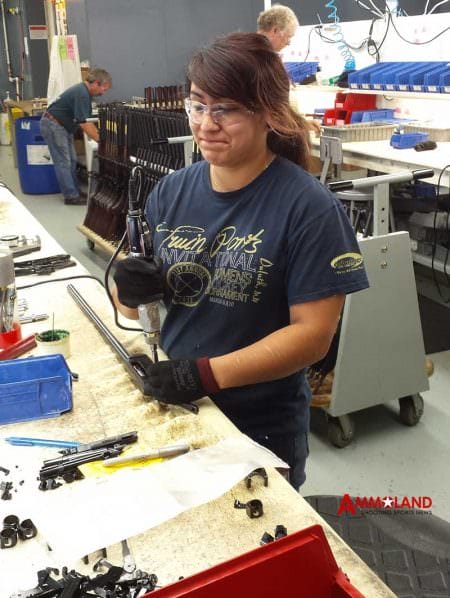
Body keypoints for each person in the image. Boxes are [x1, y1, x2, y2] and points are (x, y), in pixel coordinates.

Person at [112, 33, 369, 489]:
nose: (206, 124)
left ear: (269, 112)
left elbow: (312, 338)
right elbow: (131, 309)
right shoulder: (172, 191)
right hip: (181, 402)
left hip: (259, 420)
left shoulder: (308, 208)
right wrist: (127, 290)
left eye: (225, 109)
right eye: (197, 105)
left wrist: (205, 375)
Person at [40, 68, 112, 205]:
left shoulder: (84, 92)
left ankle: (74, 191)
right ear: (96, 83)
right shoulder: (82, 93)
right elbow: (84, 124)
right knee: (64, 162)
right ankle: (71, 196)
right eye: (103, 89)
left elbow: (86, 120)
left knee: (71, 160)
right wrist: (103, 142)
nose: (103, 93)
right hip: (53, 125)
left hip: (61, 126)